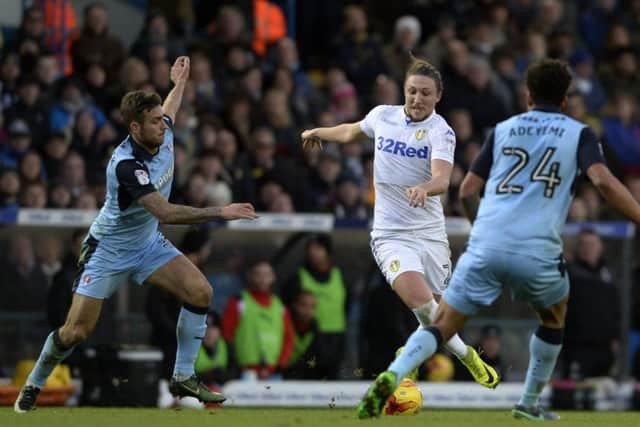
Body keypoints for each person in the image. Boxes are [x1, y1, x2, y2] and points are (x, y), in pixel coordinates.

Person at [358, 58, 640, 420]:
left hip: (487, 243)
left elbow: (467, 190)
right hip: (537, 247)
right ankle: (529, 403)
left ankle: (392, 377)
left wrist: (481, 233)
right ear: (566, 100)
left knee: (442, 323)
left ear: (527, 96)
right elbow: (602, 182)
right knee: (553, 316)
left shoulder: (504, 129)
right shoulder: (579, 132)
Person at [14, 56, 257, 413]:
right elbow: (165, 212)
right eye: (155, 122)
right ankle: (34, 382)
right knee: (75, 333)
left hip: (147, 245)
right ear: (134, 128)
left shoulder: (162, 130)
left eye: (163, 119)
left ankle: (183, 376)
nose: (164, 125)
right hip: (108, 250)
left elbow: (170, 109)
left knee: (201, 291)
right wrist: (221, 211)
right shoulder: (126, 165)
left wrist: (179, 84)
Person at [301, 58, 498, 389]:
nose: (416, 99)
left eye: (424, 93)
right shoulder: (383, 115)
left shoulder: (441, 132)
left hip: (431, 235)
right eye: (411, 91)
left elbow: (442, 178)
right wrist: (318, 131)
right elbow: (350, 130)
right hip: (391, 235)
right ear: (403, 91)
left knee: (438, 317)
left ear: (438, 96)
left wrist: (424, 188)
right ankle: (467, 356)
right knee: (422, 304)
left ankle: (412, 357)